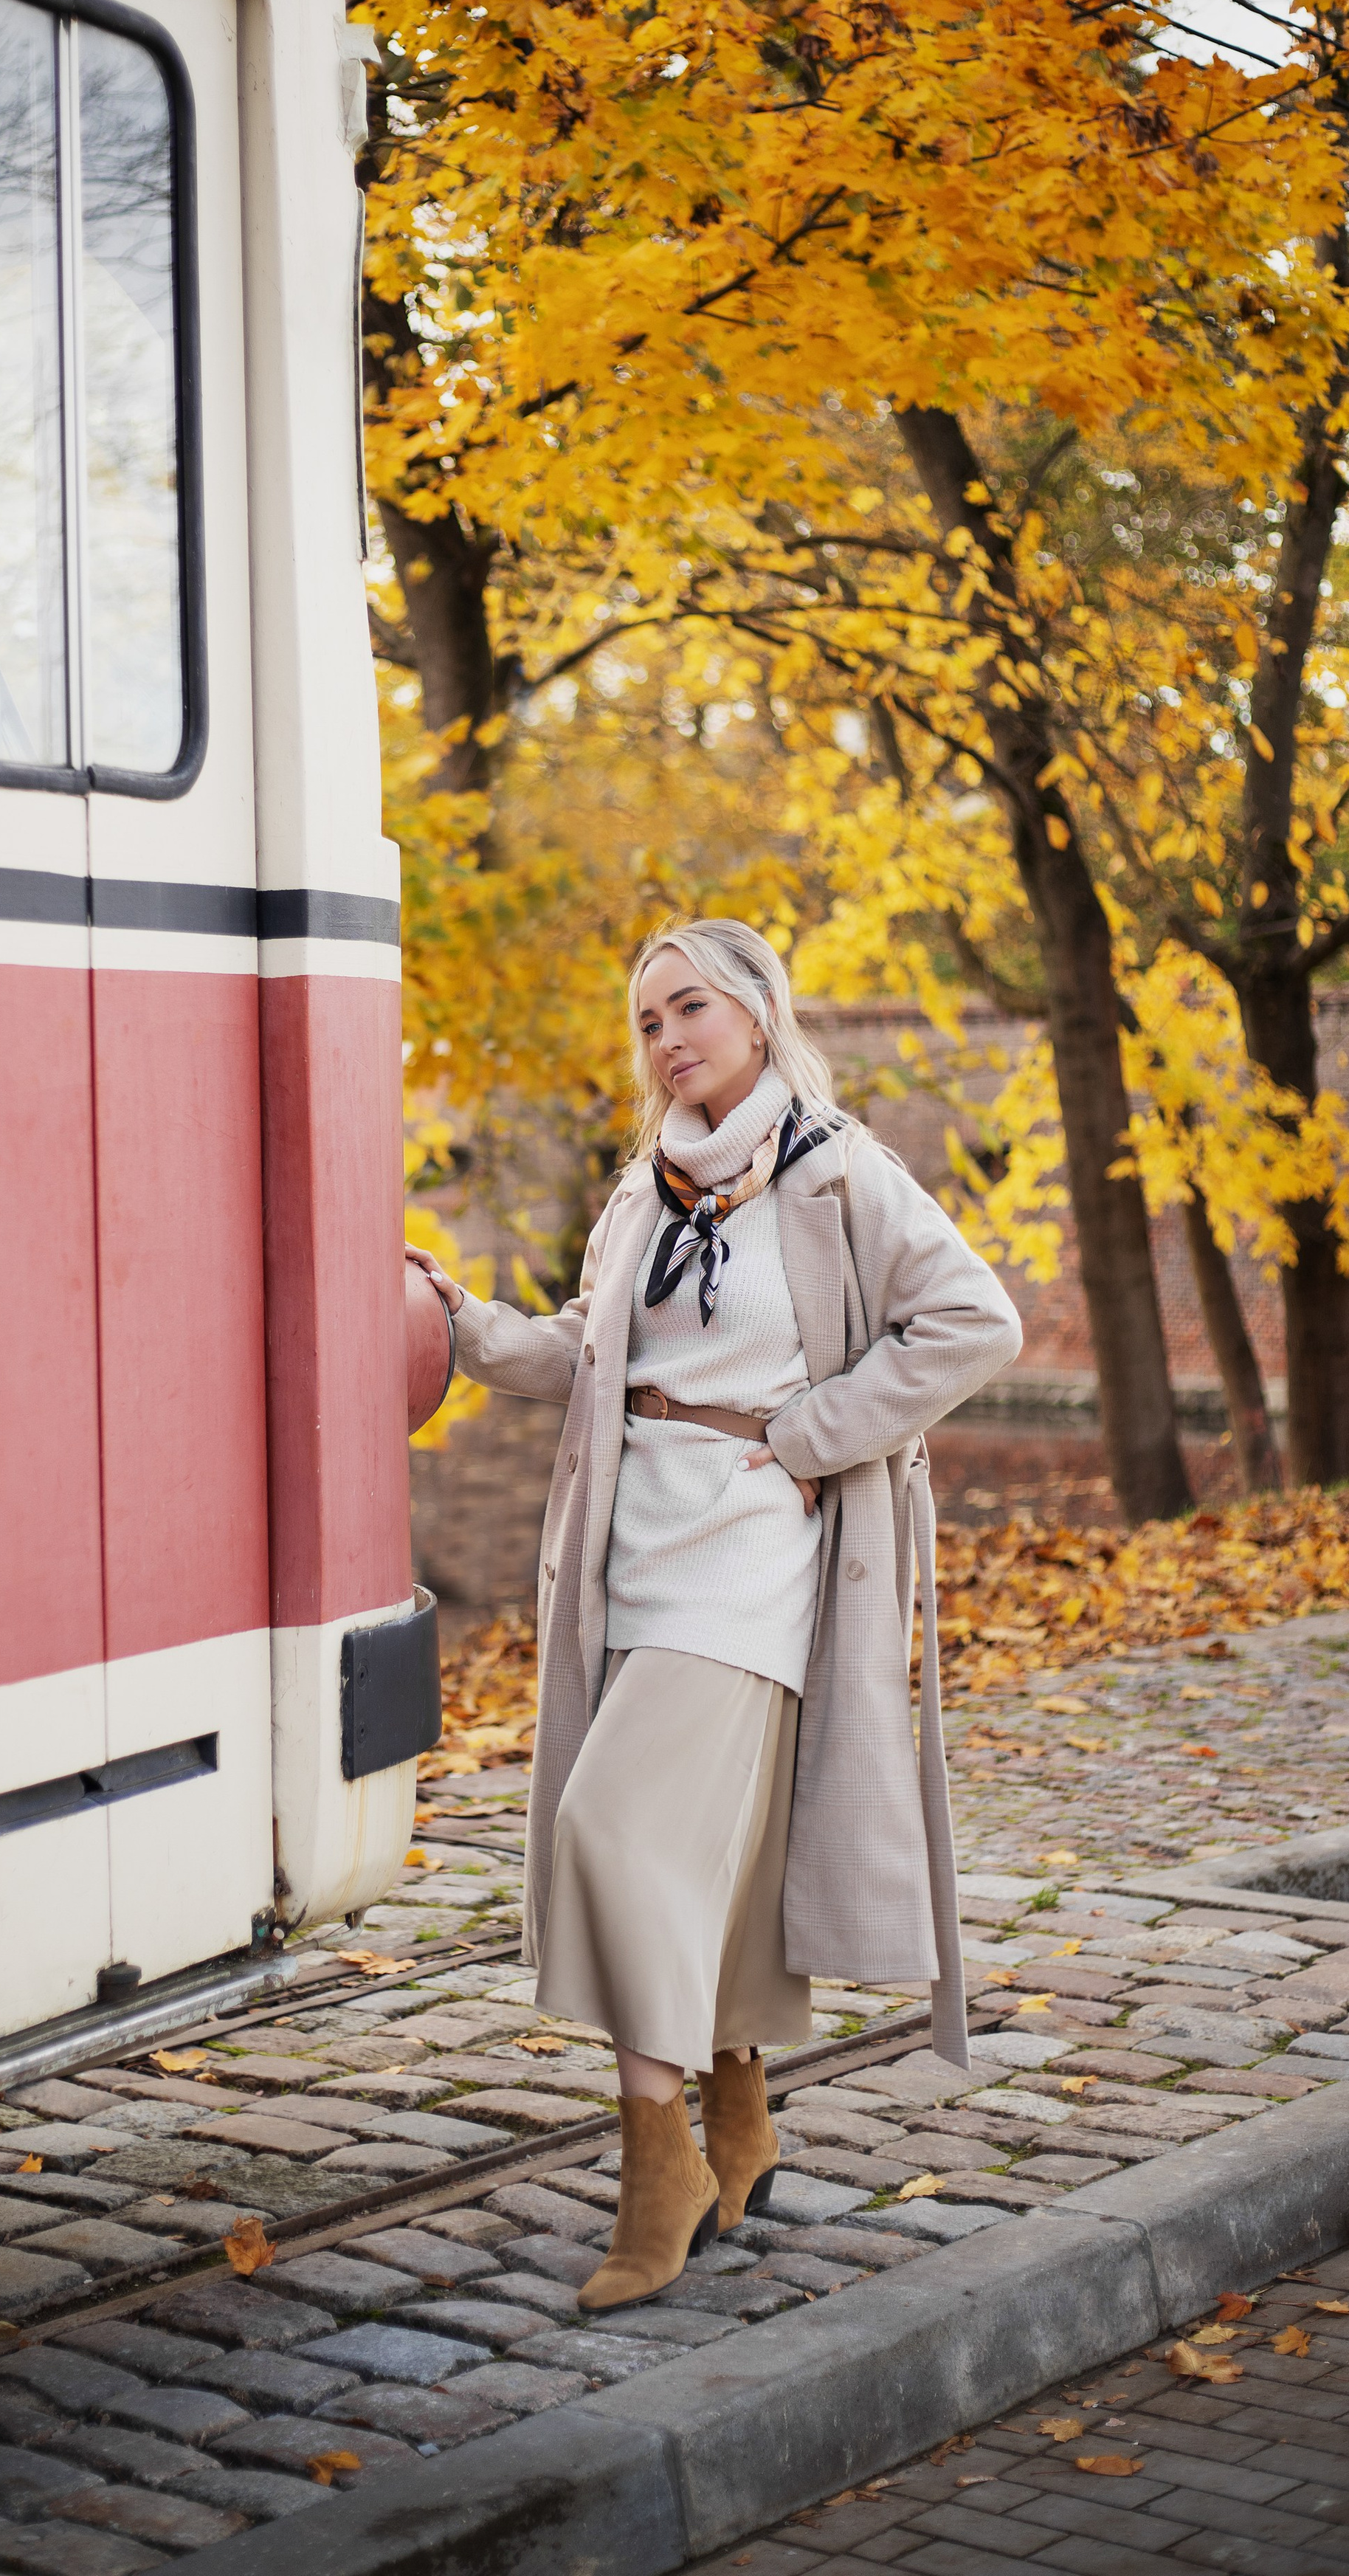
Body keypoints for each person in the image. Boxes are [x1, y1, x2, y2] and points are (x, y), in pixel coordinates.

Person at [406, 918, 1022, 2311]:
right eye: (647, 1023)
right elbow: (592, 1354)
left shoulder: (840, 1173)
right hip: (634, 1541)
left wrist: (811, 1434)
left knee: (607, 1826)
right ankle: (738, 2107)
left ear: (754, 1012)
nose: (668, 1039)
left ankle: (659, 2171)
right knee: (709, 1852)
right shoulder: (642, 1194)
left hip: (756, 1543)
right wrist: (459, 1323)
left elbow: (974, 1323)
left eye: (689, 1008)